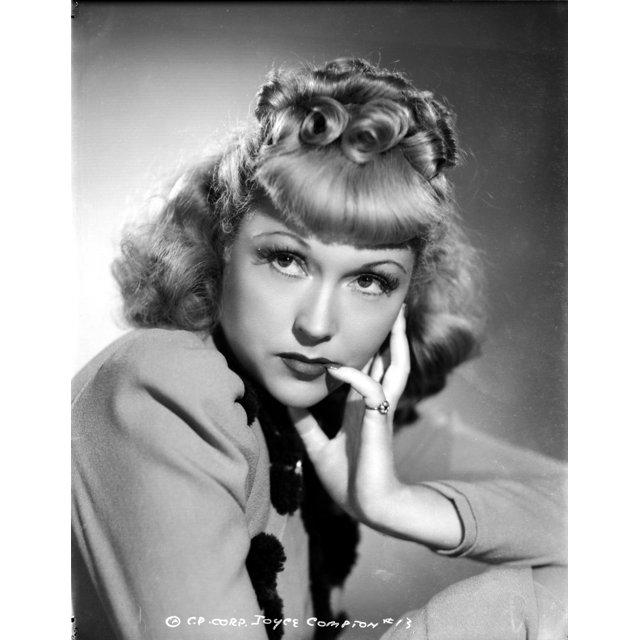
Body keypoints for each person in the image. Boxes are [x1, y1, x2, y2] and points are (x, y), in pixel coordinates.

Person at [71, 58, 567, 640]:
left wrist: (394, 504)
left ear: (405, 298)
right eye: (287, 259)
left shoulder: (344, 417)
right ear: (222, 246)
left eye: (370, 280)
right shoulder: (163, 384)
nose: (318, 324)